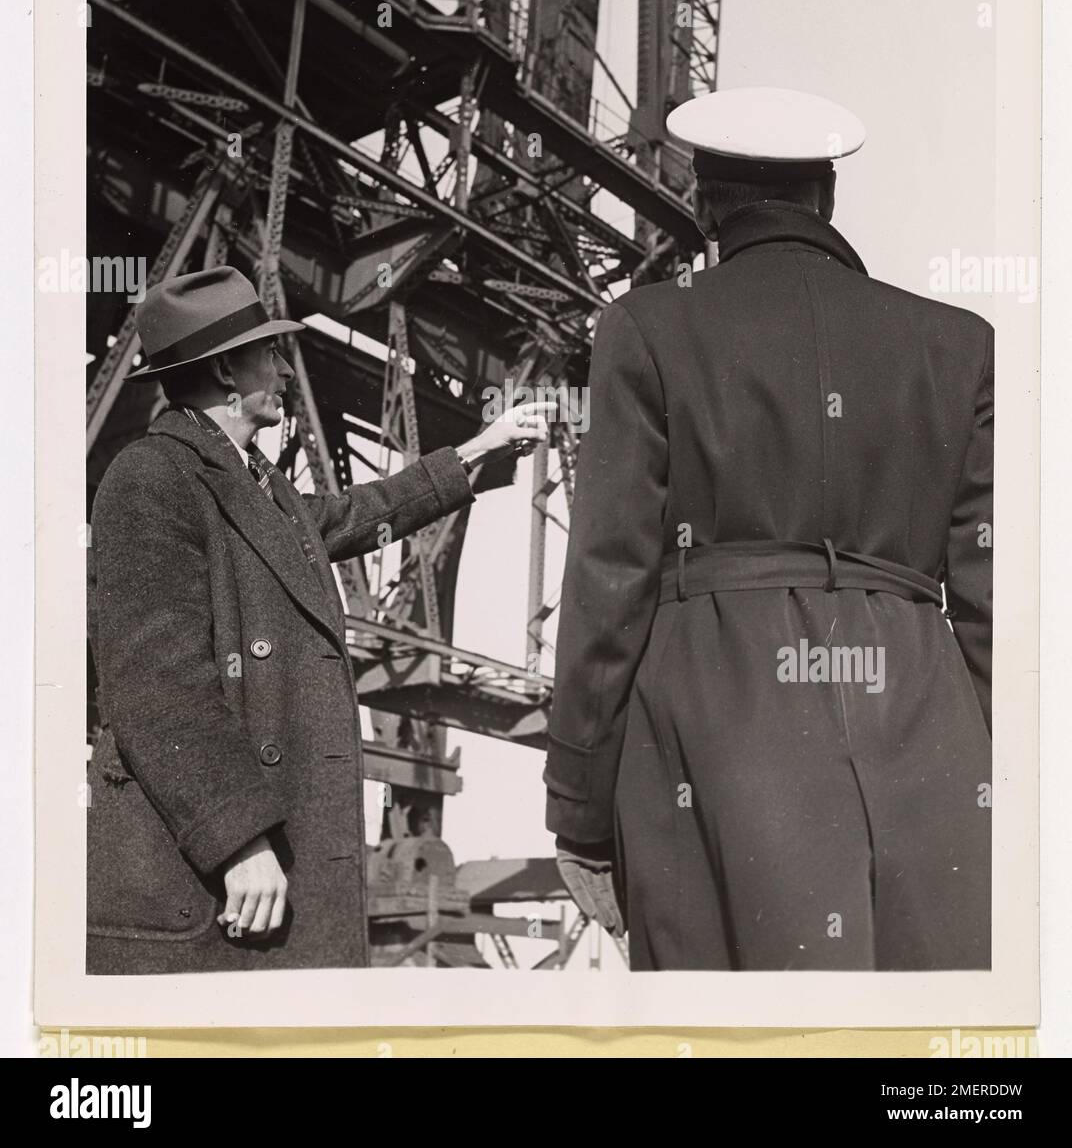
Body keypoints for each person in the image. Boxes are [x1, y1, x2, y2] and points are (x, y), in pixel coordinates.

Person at [545, 87, 993, 971]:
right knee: (928, 1058)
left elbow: (610, 575)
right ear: (828, 198)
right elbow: (992, 594)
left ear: (708, 205)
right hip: (927, 737)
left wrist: (581, 811)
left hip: (713, 733)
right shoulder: (957, 343)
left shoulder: (647, 326)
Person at [87, 264, 548, 973]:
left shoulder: (260, 485)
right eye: (267, 351)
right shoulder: (150, 477)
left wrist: (479, 452)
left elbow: (366, 513)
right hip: (215, 885)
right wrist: (237, 838)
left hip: (264, 882)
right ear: (225, 373)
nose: (281, 365)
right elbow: (156, 684)